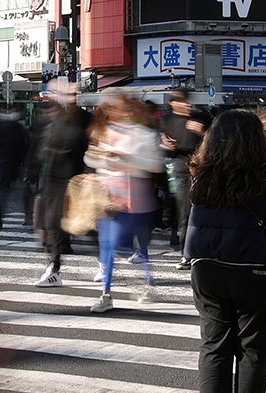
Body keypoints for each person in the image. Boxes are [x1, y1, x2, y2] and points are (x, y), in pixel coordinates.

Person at [183, 108, 266, 393]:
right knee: (253, 349)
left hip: (208, 270)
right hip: (256, 273)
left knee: (213, 344)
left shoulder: (200, 177)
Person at [87, 93, 164, 311]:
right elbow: (91, 160)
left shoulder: (144, 134)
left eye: (119, 108)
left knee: (136, 246)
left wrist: (126, 158)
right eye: (110, 109)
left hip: (136, 200)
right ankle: (106, 294)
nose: (115, 112)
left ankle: (148, 285)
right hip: (108, 198)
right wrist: (97, 156)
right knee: (108, 246)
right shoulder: (105, 132)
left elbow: (157, 165)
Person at [32, 83, 90, 287]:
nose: (71, 97)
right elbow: (43, 148)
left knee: (87, 226)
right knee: (53, 223)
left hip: (74, 179)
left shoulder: (85, 119)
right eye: (67, 94)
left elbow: (91, 145)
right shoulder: (58, 119)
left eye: (74, 93)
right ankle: (54, 267)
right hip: (53, 180)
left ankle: (104, 261)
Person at [160, 89, 207, 260]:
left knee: (194, 207)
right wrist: (164, 145)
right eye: (182, 101)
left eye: (188, 101)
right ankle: (183, 247)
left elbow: (213, 140)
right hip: (175, 166)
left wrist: (202, 133)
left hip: (198, 166)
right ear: (172, 103)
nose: (187, 104)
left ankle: (189, 247)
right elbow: (160, 142)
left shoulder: (200, 117)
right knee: (180, 205)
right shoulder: (166, 120)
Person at [0, 109, 30, 229]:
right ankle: (28, 216)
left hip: (3, 164)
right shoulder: (19, 129)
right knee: (25, 191)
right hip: (18, 163)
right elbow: (25, 145)